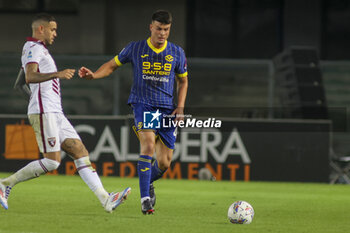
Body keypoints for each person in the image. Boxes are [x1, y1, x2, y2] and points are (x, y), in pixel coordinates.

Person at [0, 13, 131, 213]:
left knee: (80, 151)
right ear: (41, 29)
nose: (55, 34)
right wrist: (56, 76)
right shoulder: (33, 48)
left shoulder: (39, 51)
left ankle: (106, 199)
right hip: (46, 112)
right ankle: (5, 184)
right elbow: (29, 77)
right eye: (52, 29)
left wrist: (37, 100)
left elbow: (19, 85)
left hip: (54, 112)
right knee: (52, 161)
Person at [78, 10, 188, 215]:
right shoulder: (135, 48)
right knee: (147, 146)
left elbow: (183, 80)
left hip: (166, 109)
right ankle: (145, 200)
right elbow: (111, 66)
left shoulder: (177, 52)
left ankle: (148, 183)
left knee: (164, 163)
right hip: (144, 105)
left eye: (166, 29)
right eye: (159, 29)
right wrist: (94, 75)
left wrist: (180, 107)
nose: (162, 33)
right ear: (151, 27)